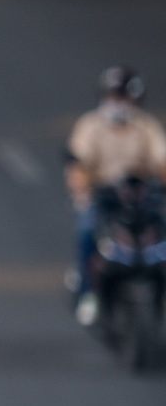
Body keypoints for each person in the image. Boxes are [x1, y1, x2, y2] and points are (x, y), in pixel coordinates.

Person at [66, 65, 166, 325]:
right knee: (88, 231)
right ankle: (89, 292)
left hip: (140, 198)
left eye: (124, 98)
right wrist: (83, 190)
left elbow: (161, 161)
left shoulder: (146, 127)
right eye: (114, 96)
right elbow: (78, 164)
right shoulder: (90, 126)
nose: (118, 103)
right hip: (104, 198)